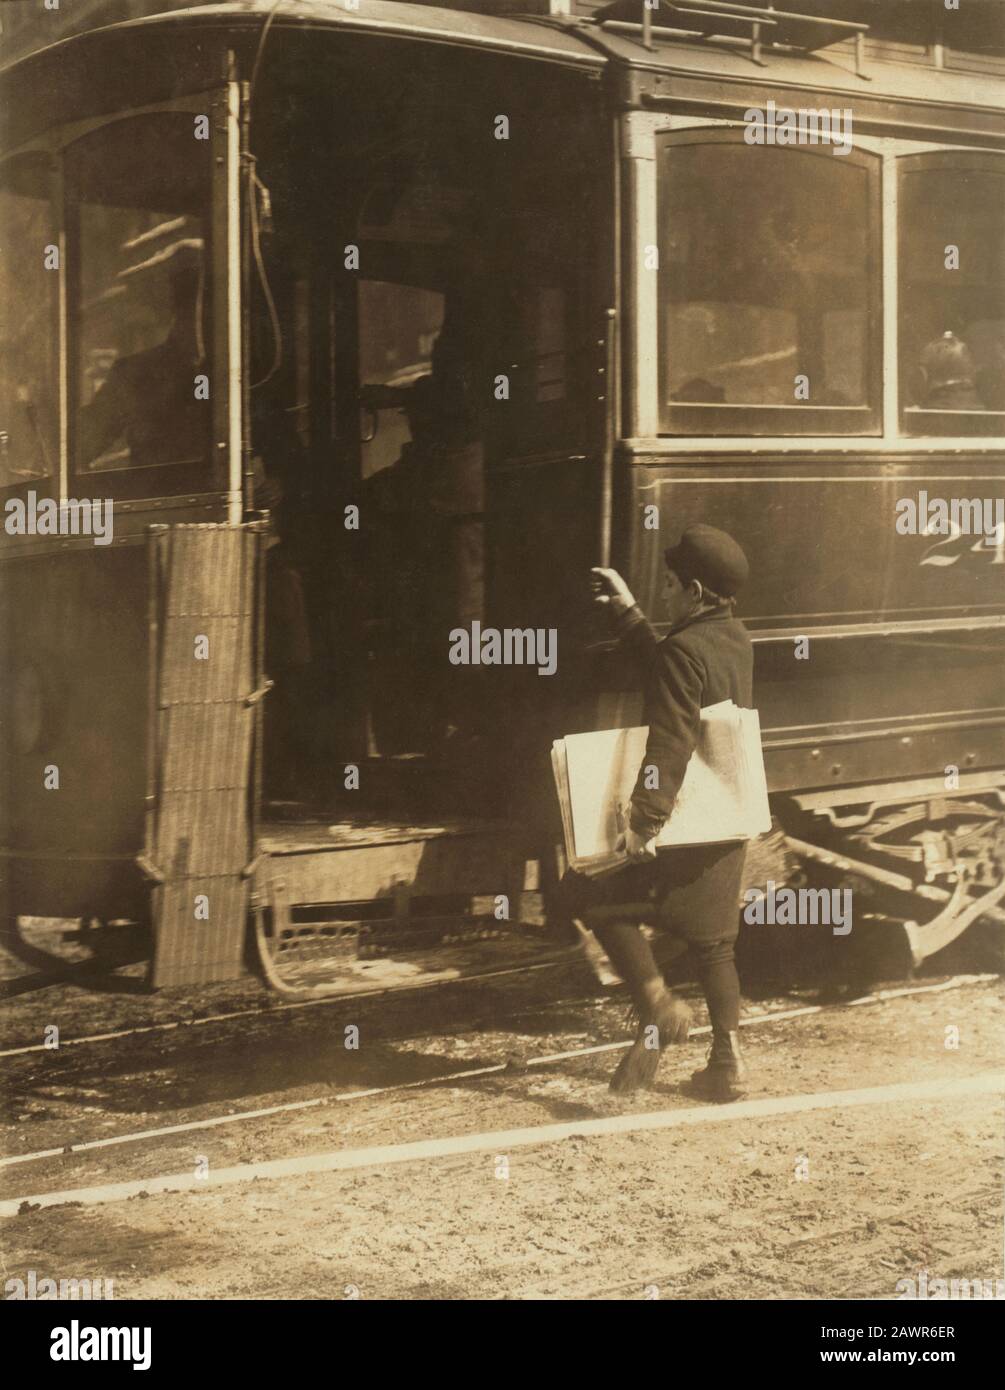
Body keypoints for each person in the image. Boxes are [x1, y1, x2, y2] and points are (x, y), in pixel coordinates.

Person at [574, 524, 754, 1101]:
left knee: (587, 894)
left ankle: (658, 1003)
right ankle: (728, 1066)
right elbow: (677, 671)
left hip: (682, 821)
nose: (667, 594)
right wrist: (629, 615)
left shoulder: (684, 647)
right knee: (714, 944)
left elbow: (671, 739)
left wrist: (643, 821)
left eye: (673, 585)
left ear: (695, 591)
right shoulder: (733, 637)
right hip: (727, 814)